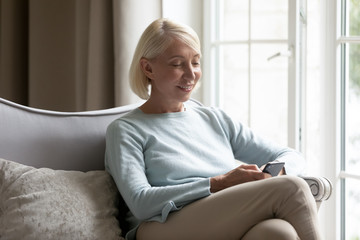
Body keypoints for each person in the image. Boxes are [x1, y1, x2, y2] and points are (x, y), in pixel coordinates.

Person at [105, 18, 321, 240]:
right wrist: (219, 183)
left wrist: (273, 172)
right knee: (292, 188)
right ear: (148, 68)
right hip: (160, 226)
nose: (191, 75)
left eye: (196, 63)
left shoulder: (214, 118)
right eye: (177, 64)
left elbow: (292, 156)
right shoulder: (125, 130)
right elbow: (141, 202)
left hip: (220, 217)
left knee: (278, 233)